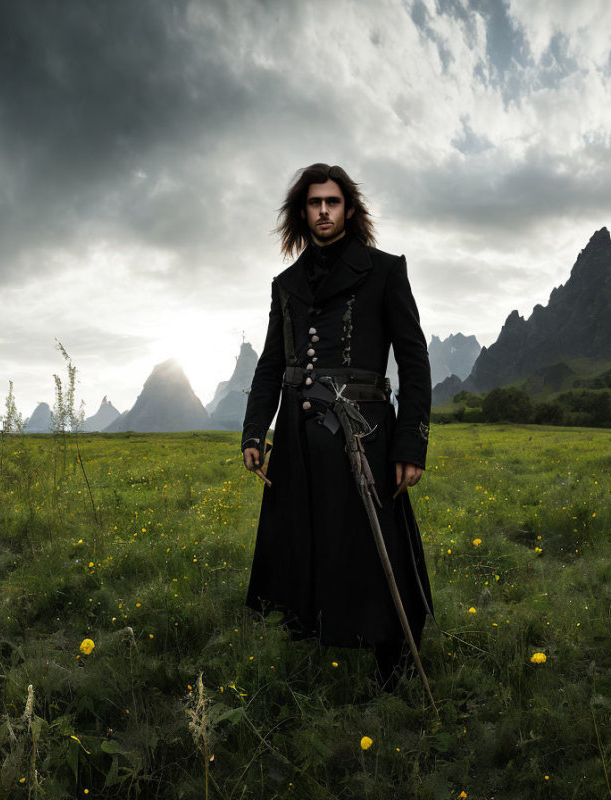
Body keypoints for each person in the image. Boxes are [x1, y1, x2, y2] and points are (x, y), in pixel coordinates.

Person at [241, 163, 433, 688]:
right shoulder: (286, 285)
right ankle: (320, 636)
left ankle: (394, 664)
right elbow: (271, 364)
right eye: (314, 202)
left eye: (332, 201)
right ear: (302, 212)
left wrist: (410, 444)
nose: (323, 211)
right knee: (306, 543)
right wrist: (255, 432)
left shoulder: (384, 271)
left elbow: (414, 361)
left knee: (374, 547)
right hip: (299, 440)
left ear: (348, 209)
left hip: (363, 434)